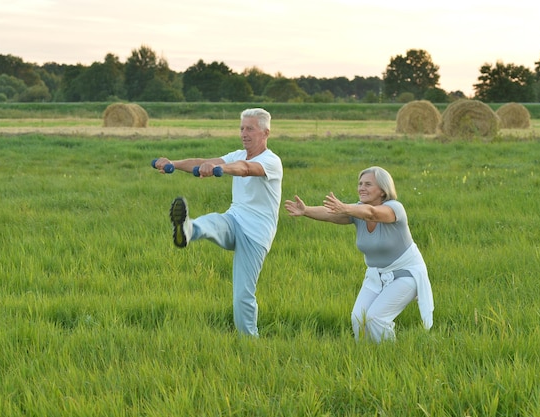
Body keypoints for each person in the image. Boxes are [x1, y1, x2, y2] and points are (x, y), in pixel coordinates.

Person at [154, 108, 282, 338]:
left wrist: (219, 169)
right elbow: (201, 162)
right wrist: (171, 162)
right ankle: (186, 229)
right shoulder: (237, 154)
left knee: (242, 294)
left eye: (250, 128)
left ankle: (249, 342)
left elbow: (245, 170)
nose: (244, 133)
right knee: (213, 221)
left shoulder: (271, 161)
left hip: (256, 235)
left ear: (265, 132)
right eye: (242, 128)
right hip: (234, 220)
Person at [284, 166, 433, 342]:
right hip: (377, 275)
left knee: (376, 318)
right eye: (360, 183)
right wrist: (306, 210)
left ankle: (389, 357)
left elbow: (372, 213)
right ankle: (367, 355)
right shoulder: (357, 211)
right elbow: (330, 214)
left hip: (406, 275)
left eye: (368, 184)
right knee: (358, 318)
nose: (361, 187)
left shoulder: (394, 208)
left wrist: (346, 207)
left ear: (383, 191)